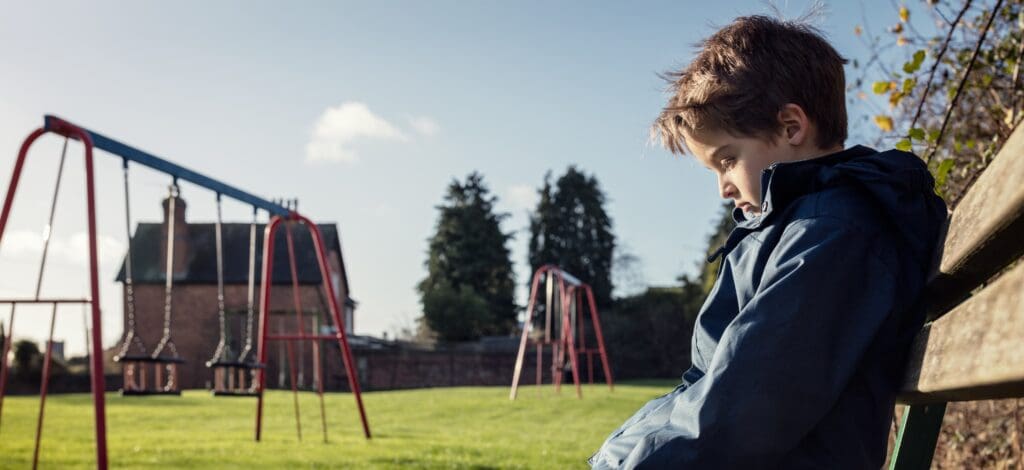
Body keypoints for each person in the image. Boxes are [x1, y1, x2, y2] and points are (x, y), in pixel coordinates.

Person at [589, 15, 948, 469]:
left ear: (791, 127)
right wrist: (616, 455)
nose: (723, 187)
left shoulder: (834, 235)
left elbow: (750, 406)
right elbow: (706, 387)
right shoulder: (789, 230)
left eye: (727, 160)